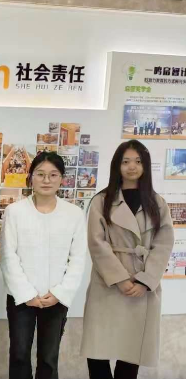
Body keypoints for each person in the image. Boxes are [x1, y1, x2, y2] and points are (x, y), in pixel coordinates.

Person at [81, 140, 175, 379]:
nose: (132, 166)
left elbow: (164, 244)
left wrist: (145, 280)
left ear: (145, 165)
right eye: (125, 161)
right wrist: (120, 279)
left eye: (138, 161)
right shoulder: (102, 200)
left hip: (141, 287)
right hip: (107, 285)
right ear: (117, 165)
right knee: (97, 352)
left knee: (131, 355)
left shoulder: (157, 203)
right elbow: (96, 243)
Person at [0, 151, 87, 379]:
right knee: (19, 355)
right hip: (21, 298)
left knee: (49, 358)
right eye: (40, 174)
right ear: (31, 177)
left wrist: (60, 293)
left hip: (55, 298)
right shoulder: (15, 211)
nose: (46, 180)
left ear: (62, 179)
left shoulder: (74, 214)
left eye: (53, 175)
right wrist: (26, 294)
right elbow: (8, 256)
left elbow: (78, 259)